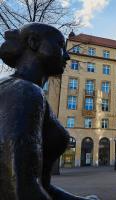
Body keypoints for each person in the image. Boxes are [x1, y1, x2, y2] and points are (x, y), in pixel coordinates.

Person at [0, 23, 99, 200]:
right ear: (33, 42)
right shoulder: (26, 92)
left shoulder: (18, 88)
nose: (67, 56)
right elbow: (21, 190)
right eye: (60, 46)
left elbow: (41, 186)